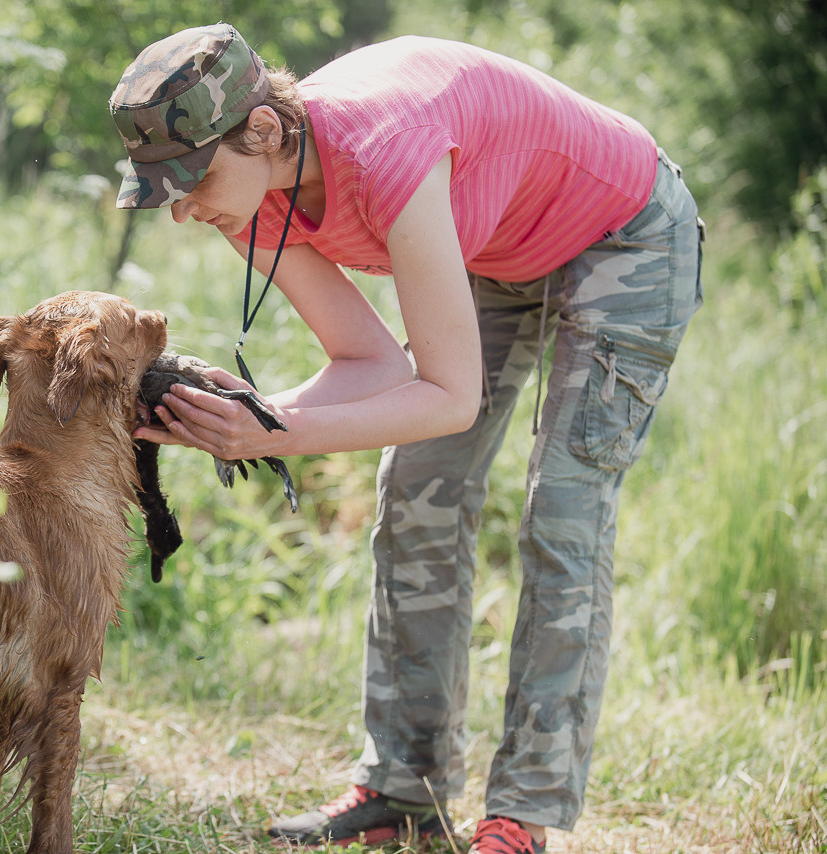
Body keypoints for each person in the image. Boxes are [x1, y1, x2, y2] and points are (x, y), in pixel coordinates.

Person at [110, 23, 703, 854]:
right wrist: (252, 418)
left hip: (621, 231)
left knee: (562, 514)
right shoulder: (248, 200)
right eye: (165, 189)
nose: (182, 209)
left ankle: (522, 817)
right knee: (417, 487)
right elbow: (371, 364)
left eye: (193, 177)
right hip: (491, 244)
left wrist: (273, 439)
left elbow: (447, 397)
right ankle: (404, 792)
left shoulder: (388, 153)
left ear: (266, 131)